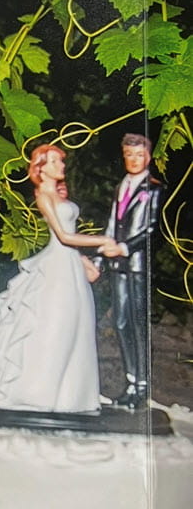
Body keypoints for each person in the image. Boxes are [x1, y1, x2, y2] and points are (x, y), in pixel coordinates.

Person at [0, 144, 118, 412]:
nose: (61, 166)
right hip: (57, 266)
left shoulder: (59, 195)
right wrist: (103, 240)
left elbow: (69, 243)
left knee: (78, 325)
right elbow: (63, 237)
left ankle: (72, 397)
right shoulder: (44, 196)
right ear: (40, 168)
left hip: (69, 263)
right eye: (54, 161)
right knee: (54, 324)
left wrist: (83, 260)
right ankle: (38, 393)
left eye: (61, 161)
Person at [100, 133, 163, 408]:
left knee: (138, 324)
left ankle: (142, 387)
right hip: (118, 265)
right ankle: (130, 381)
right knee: (121, 322)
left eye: (139, 155)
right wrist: (104, 252)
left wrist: (124, 248)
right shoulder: (121, 186)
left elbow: (151, 229)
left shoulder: (154, 189)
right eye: (129, 155)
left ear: (148, 157)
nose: (134, 160)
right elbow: (113, 224)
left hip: (137, 264)